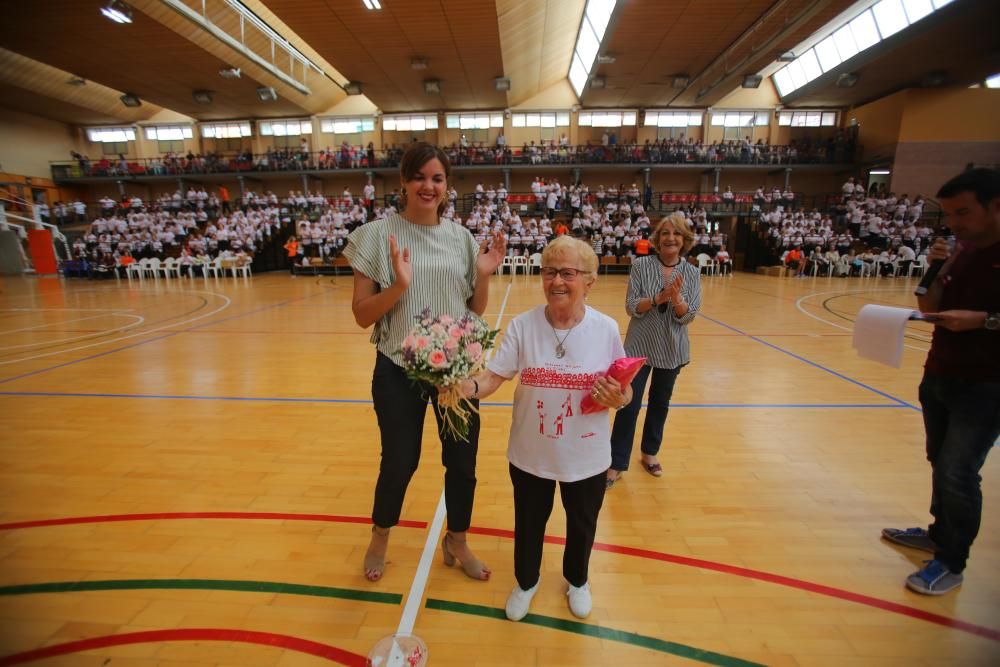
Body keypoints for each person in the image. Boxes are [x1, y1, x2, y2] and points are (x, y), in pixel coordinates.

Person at [343, 142, 506, 583]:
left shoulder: (461, 239)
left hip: (455, 371)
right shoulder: (375, 235)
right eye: (419, 177)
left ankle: (457, 538)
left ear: (447, 185)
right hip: (398, 366)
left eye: (437, 178)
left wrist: (485, 274)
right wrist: (397, 286)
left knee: (463, 461)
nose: (428, 186)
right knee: (400, 459)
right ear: (403, 181)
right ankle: (380, 534)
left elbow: (474, 311)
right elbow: (361, 316)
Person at [460, 236, 631, 621]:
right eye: (549, 272)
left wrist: (617, 398)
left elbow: (625, 386)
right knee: (529, 522)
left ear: (589, 280)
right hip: (530, 453)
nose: (556, 281)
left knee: (583, 523)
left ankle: (578, 578)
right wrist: (462, 388)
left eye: (567, 273)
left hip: (585, 456)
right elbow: (491, 379)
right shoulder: (523, 326)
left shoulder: (605, 328)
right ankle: (526, 581)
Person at [881, 167, 1000, 595]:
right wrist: (935, 269)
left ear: (996, 206)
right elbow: (929, 302)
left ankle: (952, 560)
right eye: (949, 214)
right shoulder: (960, 250)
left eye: (963, 212)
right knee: (940, 459)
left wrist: (985, 321)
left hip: (987, 384)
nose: (954, 223)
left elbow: (983, 319)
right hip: (942, 371)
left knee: (958, 470)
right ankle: (938, 531)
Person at [607, 211, 702, 487]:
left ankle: (649, 453)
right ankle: (616, 462)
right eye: (665, 233)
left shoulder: (692, 273)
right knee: (628, 404)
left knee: (660, 404)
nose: (670, 238)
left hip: (672, 349)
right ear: (657, 239)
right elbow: (631, 306)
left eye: (676, 233)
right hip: (639, 347)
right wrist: (658, 298)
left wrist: (677, 300)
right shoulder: (640, 266)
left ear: (684, 240)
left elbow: (688, 316)